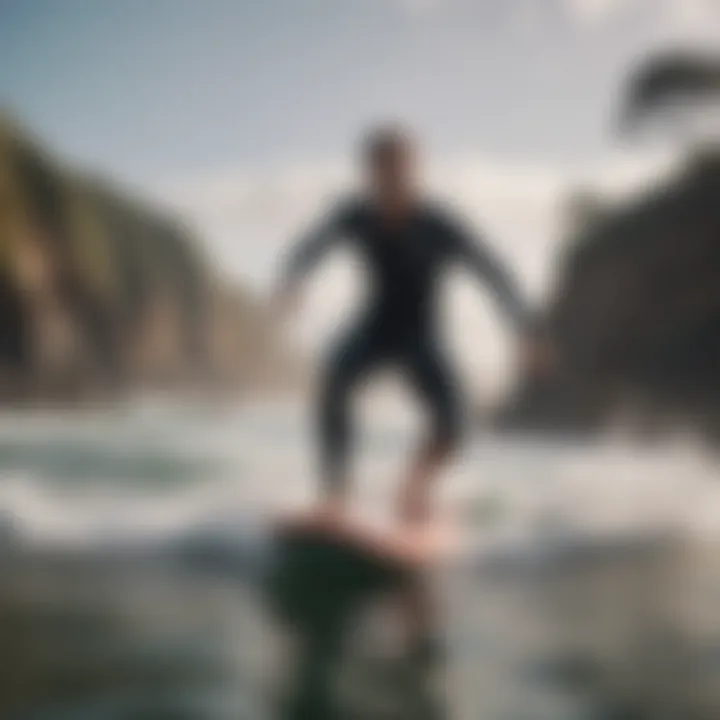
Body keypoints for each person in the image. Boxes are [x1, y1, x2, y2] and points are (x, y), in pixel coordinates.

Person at [275, 124, 539, 526]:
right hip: (375, 328)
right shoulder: (356, 215)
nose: (389, 178)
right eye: (380, 169)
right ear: (369, 173)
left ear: (413, 169)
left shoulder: (439, 224)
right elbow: (312, 245)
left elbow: (493, 271)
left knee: (455, 425)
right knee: (332, 384)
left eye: (398, 167)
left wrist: (522, 329)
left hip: (422, 336)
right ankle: (335, 495)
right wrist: (294, 281)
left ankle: (415, 487)